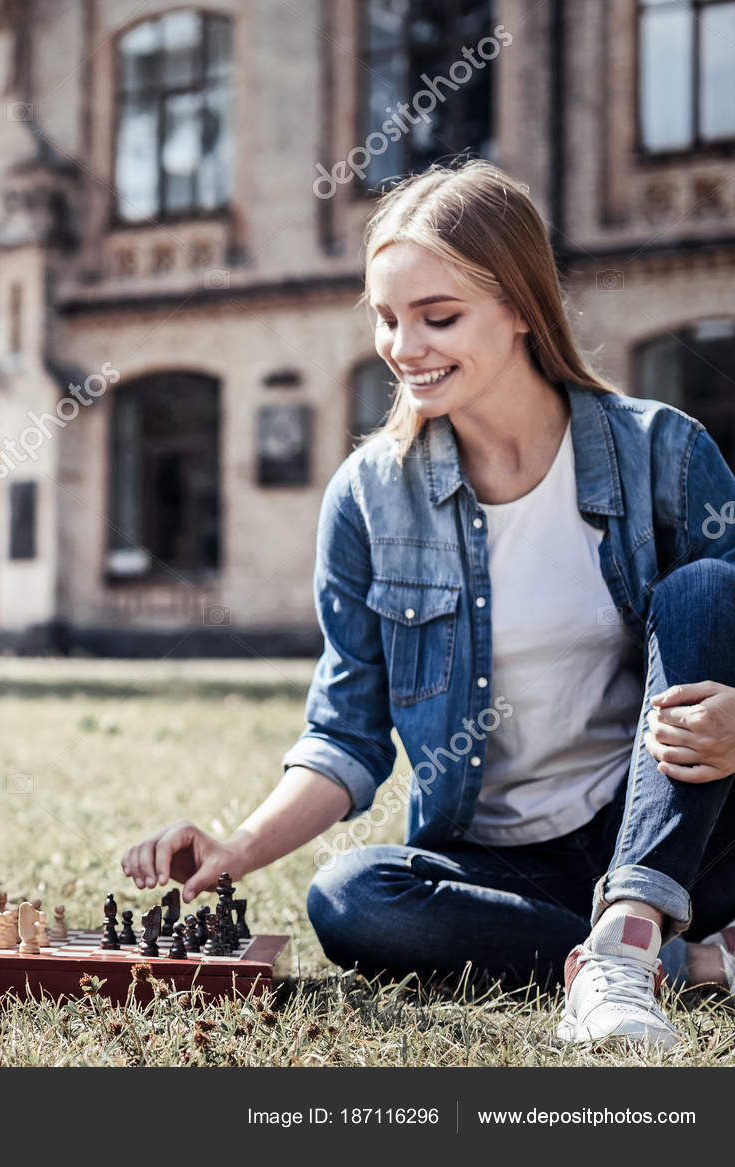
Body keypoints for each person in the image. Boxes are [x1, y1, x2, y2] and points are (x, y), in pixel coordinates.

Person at [122, 161, 735, 1050]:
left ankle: (631, 935)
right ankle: (681, 963)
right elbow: (347, 733)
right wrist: (235, 848)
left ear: (524, 306)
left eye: (438, 317)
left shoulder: (664, 454)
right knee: (352, 897)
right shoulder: (372, 498)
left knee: (708, 590)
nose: (404, 346)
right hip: (505, 870)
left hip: (680, 836)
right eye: (386, 317)